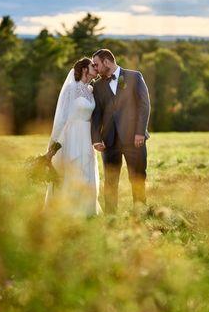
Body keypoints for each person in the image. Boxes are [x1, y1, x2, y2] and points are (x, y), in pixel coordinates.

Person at [91, 49, 150, 214]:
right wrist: (96, 138)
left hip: (134, 139)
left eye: (96, 64)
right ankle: (111, 217)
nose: (94, 68)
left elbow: (144, 106)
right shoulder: (97, 85)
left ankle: (140, 213)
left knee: (137, 177)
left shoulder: (134, 77)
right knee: (110, 181)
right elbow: (96, 114)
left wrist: (140, 132)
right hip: (109, 142)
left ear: (107, 62)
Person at [44, 58, 102, 216]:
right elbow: (62, 117)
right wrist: (54, 142)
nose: (96, 68)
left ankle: (86, 209)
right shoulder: (71, 88)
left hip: (86, 134)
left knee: (86, 168)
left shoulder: (90, 90)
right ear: (84, 69)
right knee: (73, 168)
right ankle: (68, 210)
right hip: (72, 134)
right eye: (92, 66)